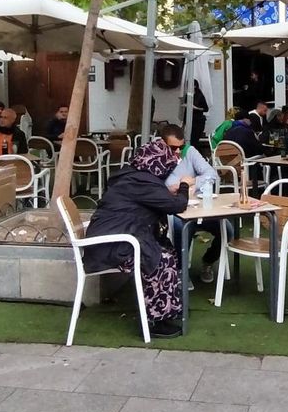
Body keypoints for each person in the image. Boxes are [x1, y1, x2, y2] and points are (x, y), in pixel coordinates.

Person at [82, 139, 190, 338]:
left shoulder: (133, 176)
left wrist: (167, 192)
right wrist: (184, 186)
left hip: (113, 237)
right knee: (161, 258)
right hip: (111, 245)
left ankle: (167, 309)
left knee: (166, 250)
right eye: (167, 164)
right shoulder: (142, 182)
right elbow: (176, 206)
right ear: (157, 165)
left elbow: (154, 198)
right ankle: (155, 322)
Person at [160, 124, 223, 283]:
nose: (177, 152)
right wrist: (170, 189)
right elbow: (151, 186)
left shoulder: (189, 152)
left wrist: (191, 183)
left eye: (180, 147)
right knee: (180, 227)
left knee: (227, 229)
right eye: (173, 148)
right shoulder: (155, 158)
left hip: (197, 207)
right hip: (172, 209)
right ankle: (180, 271)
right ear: (162, 144)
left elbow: (211, 174)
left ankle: (208, 261)